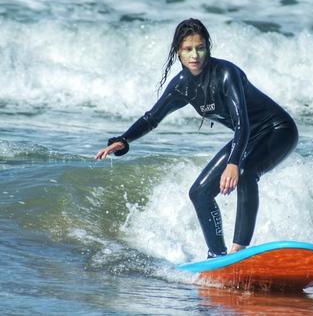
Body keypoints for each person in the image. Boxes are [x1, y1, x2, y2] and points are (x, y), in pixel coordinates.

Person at [95, 18, 298, 258]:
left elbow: (242, 121)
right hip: (248, 137)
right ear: (178, 52)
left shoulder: (226, 74)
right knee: (199, 193)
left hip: (278, 130)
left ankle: (239, 249)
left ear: (208, 48)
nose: (195, 55)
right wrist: (124, 140)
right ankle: (217, 255)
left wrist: (233, 164)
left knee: (247, 172)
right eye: (188, 49)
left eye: (200, 48)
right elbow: (152, 118)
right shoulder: (182, 86)